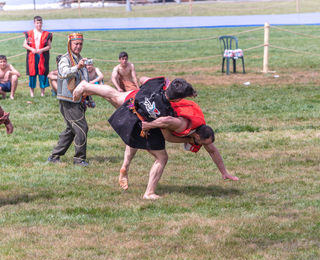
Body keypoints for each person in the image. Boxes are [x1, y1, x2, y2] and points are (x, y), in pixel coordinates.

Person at [72, 77, 239, 198]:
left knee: (115, 96)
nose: (201, 145)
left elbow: (145, 78)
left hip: (140, 98)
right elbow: (166, 131)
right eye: (200, 143)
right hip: (143, 116)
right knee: (162, 157)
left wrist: (224, 172)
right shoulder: (179, 122)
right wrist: (156, 128)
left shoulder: (161, 84)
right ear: (195, 135)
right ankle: (149, 192)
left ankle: (86, 86)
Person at [47, 33, 90, 167]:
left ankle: (54, 156)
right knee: (82, 128)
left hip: (78, 100)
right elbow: (64, 73)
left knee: (71, 130)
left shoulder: (79, 59)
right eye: (76, 44)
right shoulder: (65, 59)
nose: (78, 46)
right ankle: (79, 159)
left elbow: (84, 80)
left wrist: (87, 97)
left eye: (80, 44)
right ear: (70, 44)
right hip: (68, 100)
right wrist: (78, 67)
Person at [23, 16, 52, 97]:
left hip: (43, 56)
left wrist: (42, 50)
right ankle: (32, 93)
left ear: (42, 23)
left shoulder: (46, 34)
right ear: (34, 23)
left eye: (40, 23)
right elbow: (24, 44)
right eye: (37, 23)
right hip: (32, 56)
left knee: (42, 73)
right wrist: (31, 49)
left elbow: (49, 46)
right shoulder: (30, 33)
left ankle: (42, 93)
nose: (39, 24)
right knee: (32, 74)